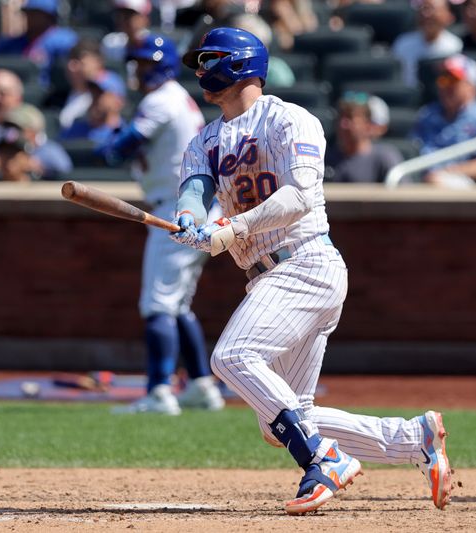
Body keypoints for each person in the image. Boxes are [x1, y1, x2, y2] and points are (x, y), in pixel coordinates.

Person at [170, 26, 452, 514]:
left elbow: (299, 196)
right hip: (266, 275)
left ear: (240, 63)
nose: (200, 70)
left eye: (209, 58)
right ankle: (413, 439)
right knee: (282, 417)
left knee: (232, 357)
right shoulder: (206, 139)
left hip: (304, 261)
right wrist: (191, 218)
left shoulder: (288, 119)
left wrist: (232, 228)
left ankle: (323, 459)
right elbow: (195, 189)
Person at [101, 34, 225, 415]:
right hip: (196, 205)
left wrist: (106, 130)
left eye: (145, 63)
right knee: (178, 305)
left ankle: (159, 391)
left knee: (157, 303)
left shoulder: (160, 99)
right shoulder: (177, 97)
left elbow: (117, 149)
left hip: (175, 209)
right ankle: (202, 385)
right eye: (137, 63)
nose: (139, 70)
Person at [409, 54, 476, 187]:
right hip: (419, 183)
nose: (446, 85)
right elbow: (411, 151)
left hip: (465, 191)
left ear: (472, 86)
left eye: (453, 79)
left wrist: (446, 172)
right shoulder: (427, 115)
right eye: (443, 79)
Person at [0, 0, 78, 87]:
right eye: (29, 12)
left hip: (49, 96)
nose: (30, 17)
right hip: (14, 93)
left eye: (36, 13)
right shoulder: (11, 42)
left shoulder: (64, 39)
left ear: (49, 15)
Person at [326, 91, 404, 183]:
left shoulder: (385, 158)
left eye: (350, 118)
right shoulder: (325, 158)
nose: (343, 124)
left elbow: (405, 194)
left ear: (367, 124)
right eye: (340, 118)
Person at [391, 0, 463, 87]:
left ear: (447, 15)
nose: (426, 14)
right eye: (423, 9)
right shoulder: (403, 43)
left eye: (432, 9)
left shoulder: (455, 46)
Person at [59, 72, 126, 145]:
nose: (94, 98)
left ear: (118, 101)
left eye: (100, 93)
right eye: (92, 92)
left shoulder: (126, 135)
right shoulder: (73, 131)